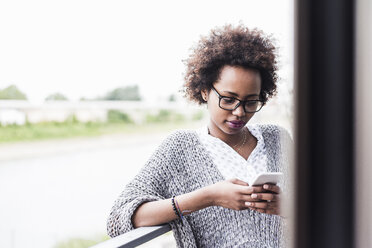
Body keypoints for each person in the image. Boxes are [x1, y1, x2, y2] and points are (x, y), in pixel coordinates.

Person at [107, 24, 292, 247]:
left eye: (251, 101)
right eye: (228, 99)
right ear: (205, 90)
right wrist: (208, 197)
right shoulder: (180, 148)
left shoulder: (277, 139)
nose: (239, 111)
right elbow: (119, 218)